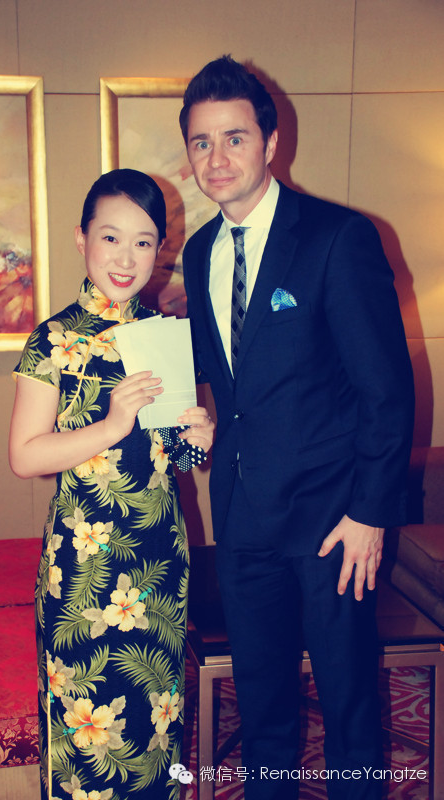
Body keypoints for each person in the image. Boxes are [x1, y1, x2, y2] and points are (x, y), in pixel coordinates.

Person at [179, 56, 414, 799]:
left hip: (332, 522)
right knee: (262, 706)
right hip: (242, 518)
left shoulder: (337, 238)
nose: (217, 158)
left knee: (348, 705)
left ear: (271, 142)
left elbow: (387, 392)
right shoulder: (197, 252)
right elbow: (227, 381)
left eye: (235, 138)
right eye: (201, 142)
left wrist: (369, 515)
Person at [9, 168, 214, 800]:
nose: (126, 259)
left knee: (156, 727)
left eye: (143, 242)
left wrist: (198, 437)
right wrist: (111, 424)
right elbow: (25, 456)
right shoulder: (53, 340)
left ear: (160, 251)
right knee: (87, 742)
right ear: (82, 239)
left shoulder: (163, 334)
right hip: (85, 571)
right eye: (111, 238)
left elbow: (173, 457)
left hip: (158, 559)